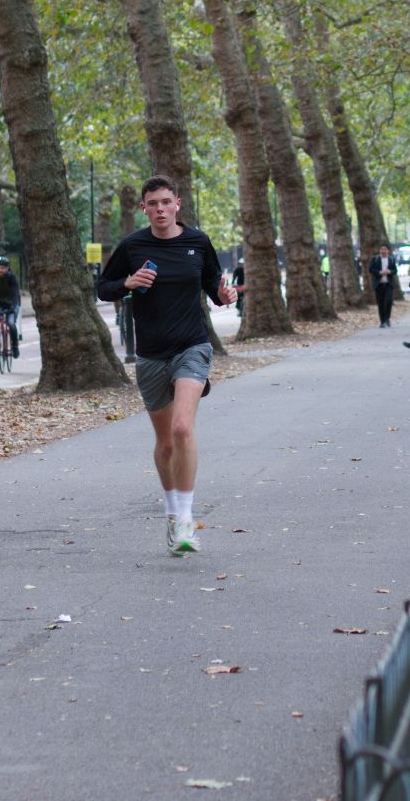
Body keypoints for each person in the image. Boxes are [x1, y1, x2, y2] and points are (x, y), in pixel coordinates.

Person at [95, 175, 237, 557]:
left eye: (165, 202)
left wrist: (226, 295)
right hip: (151, 354)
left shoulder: (197, 242)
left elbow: (215, 289)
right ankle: (173, 514)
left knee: (182, 428)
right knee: (165, 441)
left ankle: (187, 520)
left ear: (177, 204)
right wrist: (127, 282)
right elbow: (102, 287)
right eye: (152, 203)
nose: (159, 209)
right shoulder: (132, 246)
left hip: (192, 347)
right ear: (144, 208)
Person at [366, 243, 397, 327]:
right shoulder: (375, 259)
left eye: (385, 249)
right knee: (380, 303)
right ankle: (382, 321)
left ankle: (387, 318)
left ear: (388, 251)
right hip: (379, 284)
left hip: (388, 284)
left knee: (388, 301)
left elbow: (395, 270)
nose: (383, 251)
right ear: (379, 251)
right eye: (381, 249)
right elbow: (371, 269)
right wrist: (380, 272)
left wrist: (389, 271)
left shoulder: (391, 259)